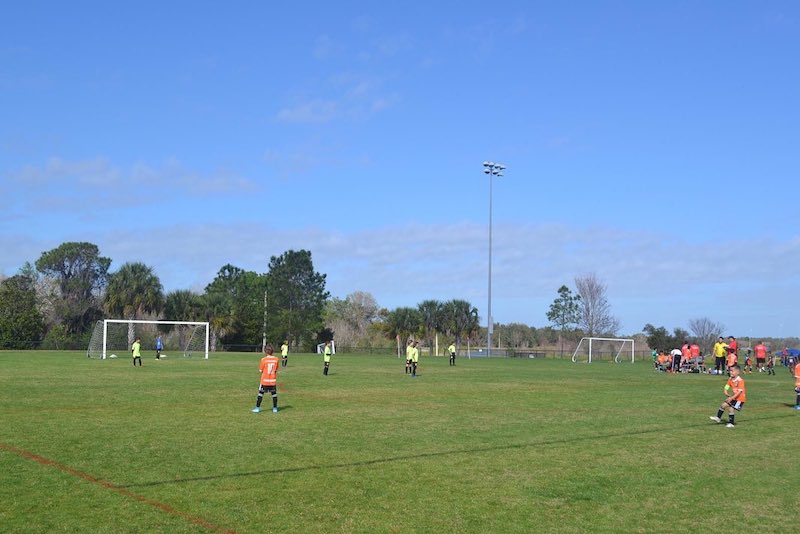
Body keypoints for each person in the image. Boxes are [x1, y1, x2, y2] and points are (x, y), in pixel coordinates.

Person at [252, 344, 280, 413]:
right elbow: (276, 370)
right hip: (272, 380)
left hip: (264, 380)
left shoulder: (263, 360)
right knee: (274, 394)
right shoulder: (276, 359)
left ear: (265, 351)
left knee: (260, 394)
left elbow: (260, 370)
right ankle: (275, 408)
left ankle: (257, 408)